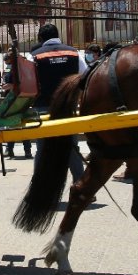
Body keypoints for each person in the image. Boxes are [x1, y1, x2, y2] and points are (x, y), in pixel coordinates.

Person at [31, 24, 88, 181]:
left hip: (42, 108)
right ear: (57, 35)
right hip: (67, 108)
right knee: (71, 148)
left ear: (40, 38)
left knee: (42, 150)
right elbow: (86, 77)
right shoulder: (74, 53)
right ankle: (81, 185)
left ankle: (39, 188)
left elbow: (28, 84)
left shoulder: (34, 55)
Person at [2, 51, 32, 159]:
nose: (7, 59)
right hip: (12, 98)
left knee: (19, 124)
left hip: (18, 99)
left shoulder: (21, 68)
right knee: (12, 124)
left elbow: (24, 82)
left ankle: (26, 150)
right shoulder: (12, 68)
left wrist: (11, 86)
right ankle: (9, 149)